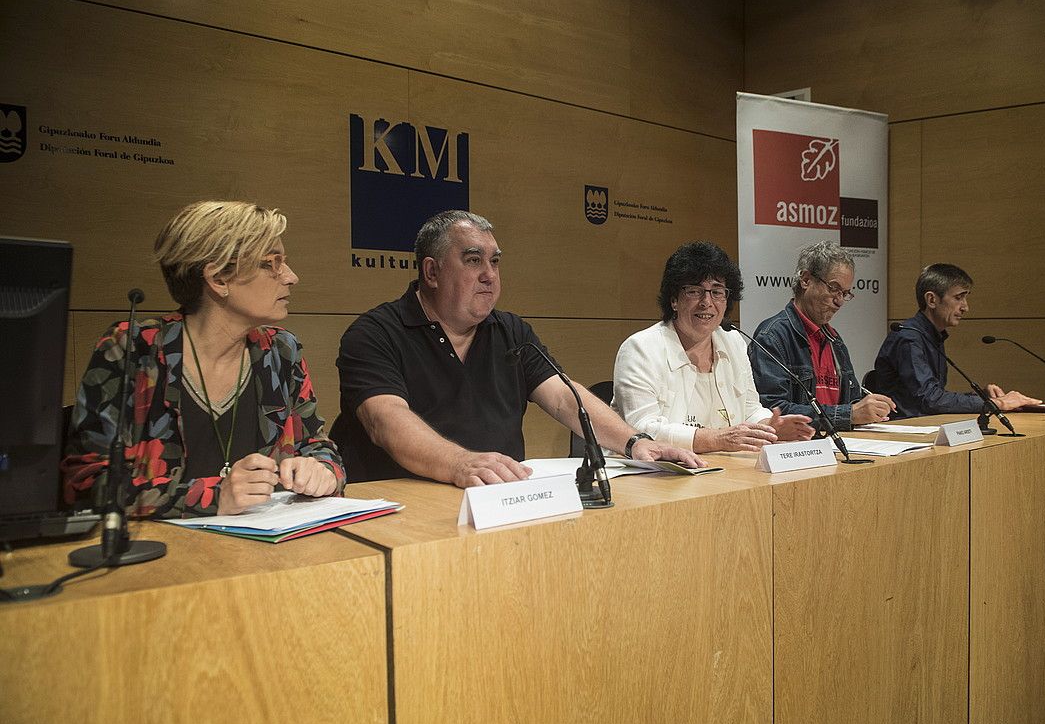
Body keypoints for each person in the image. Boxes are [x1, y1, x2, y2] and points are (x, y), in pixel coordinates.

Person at [333, 210, 703, 485]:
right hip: (403, 507)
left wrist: (634, 442)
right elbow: (386, 421)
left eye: (494, 262)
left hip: (495, 499)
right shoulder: (374, 334)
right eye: (473, 260)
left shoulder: (509, 331)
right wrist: (459, 463)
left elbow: (562, 396)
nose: (489, 275)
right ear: (431, 273)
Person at [62, 201, 345, 518]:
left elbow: (317, 445)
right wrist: (212, 497)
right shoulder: (133, 350)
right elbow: (87, 483)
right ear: (218, 279)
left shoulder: (280, 350)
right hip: (163, 556)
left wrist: (323, 470)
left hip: (267, 549)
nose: (292, 277)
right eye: (271, 264)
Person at [611, 241, 814, 452]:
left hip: (717, 470)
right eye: (695, 291)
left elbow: (750, 409)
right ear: (674, 300)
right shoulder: (640, 349)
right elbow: (642, 430)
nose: (707, 302)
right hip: (652, 475)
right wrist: (717, 439)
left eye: (717, 292)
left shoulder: (733, 342)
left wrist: (769, 427)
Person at [750, 241, 896, 431]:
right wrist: (850, 414)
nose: (839, 301)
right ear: (806, 280)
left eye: (845, 293)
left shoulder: (835, 340)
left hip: (840, 443)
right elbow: (774, 411)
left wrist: (870, 410)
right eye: (834, 289)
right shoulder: (773, 336)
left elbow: (851, 401)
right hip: (797, 450)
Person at [872, 263, 1041, 418]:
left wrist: (982, 397)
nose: (965, 307)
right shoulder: (908, 337)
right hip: (902, 433)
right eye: (958, 298)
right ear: (932, 300)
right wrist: (997, 404)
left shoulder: (932, 335)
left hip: (924, 426)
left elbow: (934, 397)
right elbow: (930, 400)